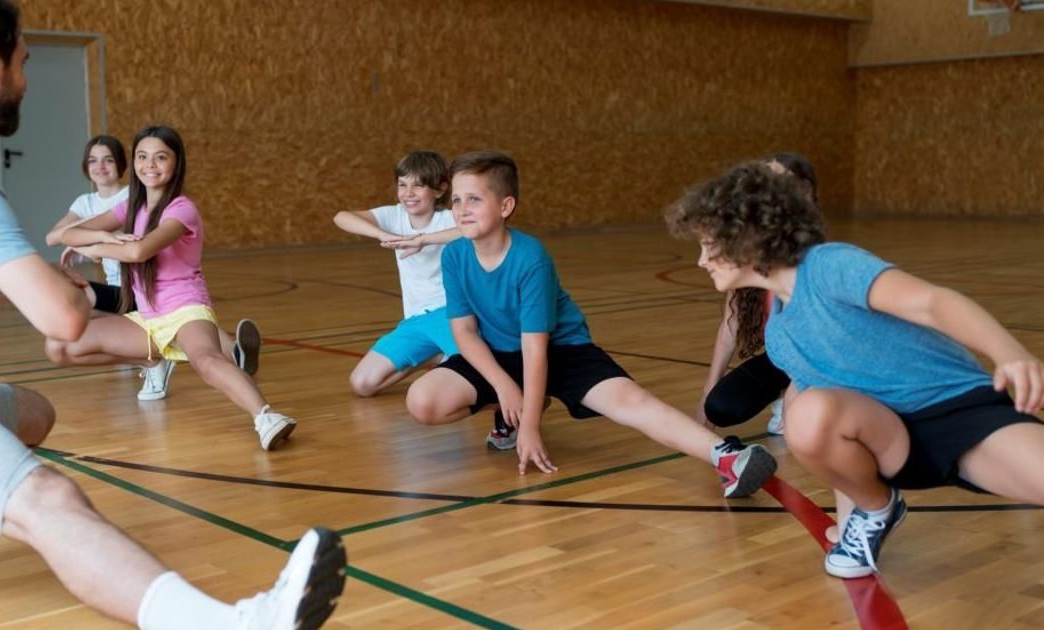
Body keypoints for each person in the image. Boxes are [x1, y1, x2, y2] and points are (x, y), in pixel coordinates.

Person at [0, 3, 345, 627]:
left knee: (34, 413)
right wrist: (80, 286)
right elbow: (63, 320)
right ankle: (231, 622)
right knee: (50, 498)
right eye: (24, 63)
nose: (25, 81)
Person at [667, 161, 1044, 578]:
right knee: (802, 410)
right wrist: (852, 519)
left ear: (747, 236)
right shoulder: (780, 334)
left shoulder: (828, 265)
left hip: (959, 414)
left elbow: (932, 302)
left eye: (708, 244)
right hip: (894, 444)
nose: (701, 260)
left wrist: (1008, 351)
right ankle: (876, 509)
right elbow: (831, 425)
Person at [404, 151, 777, 498]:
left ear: (506, 206)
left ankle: (726, 456)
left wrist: (531, 425)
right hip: (499, 353)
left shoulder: (531, 258)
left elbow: (536, 350)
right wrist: (504, 387)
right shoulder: (454, 255)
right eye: (455, 199)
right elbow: (464, 332)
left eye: (474, 199)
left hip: (561, 350)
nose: (461, 209)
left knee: (631, 402)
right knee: (423, 402)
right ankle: (510, 413)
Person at [47, 125, 294, 450]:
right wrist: (107, 235)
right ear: (134, 162)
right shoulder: (129, 207)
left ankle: (266, 417)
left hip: (185, 309)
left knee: (206, 360)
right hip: (147, 319)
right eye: (143, 156)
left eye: (161, 157)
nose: (150, 164)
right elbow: (67, 235)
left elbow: (139, 251)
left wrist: (96, 247)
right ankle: (149, 360)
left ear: (176, 164)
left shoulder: (182, 209)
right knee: (60, 347)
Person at [696, 153, 817, 435]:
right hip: (782, 356)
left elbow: (817, 344)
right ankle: (788, 390)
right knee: (720, 406)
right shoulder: (747, 256)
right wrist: (707, 390)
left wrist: (795, 398)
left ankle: (806, 396)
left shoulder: (814, 259)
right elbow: (730, 326)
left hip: (822, 361)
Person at [332, 151, 461, 397]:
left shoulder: (447, 219)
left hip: (451, 316)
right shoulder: (395, 215)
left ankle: (442, 355)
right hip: (414, 321)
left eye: (418, 186)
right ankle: (433, 356)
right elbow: (341, 217)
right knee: (362, 385)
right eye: (402, 185)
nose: (408, 193)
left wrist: (423, 240)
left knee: (469, 381)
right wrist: (381, 234)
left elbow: (473, 229)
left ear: (440, 189)